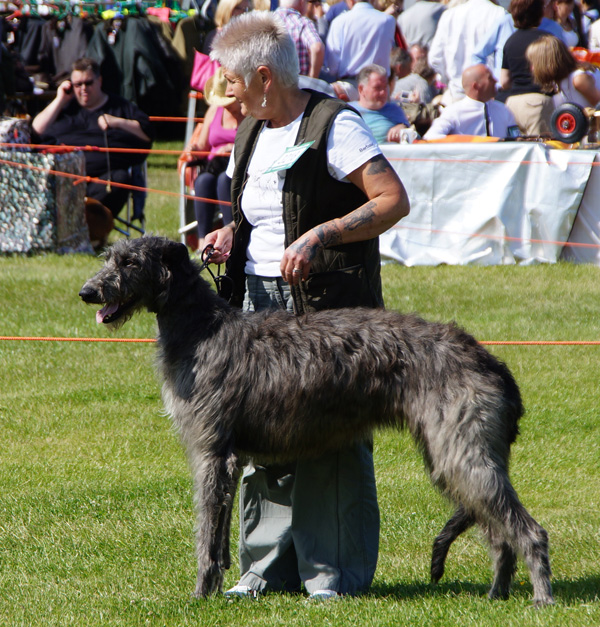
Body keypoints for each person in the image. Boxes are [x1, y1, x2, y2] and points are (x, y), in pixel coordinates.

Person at [205, 10, 409, 599]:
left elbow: (392, 200)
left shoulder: (334, 125)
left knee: (331, 438)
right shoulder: (250, 128)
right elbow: (260, 211)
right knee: (261, 435)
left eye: (233, 82)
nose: (226, 93)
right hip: (256, 306)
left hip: (326, 311)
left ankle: (332, 574)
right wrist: (230, 234)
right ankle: (266, 569)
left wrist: (321, 235)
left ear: (264, 76)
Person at [31, 57, 153, 217]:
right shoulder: (63, 107)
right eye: (77, 85)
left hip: (101, 183)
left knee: (120, 180)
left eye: (88, 83)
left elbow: (147, 133)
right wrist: (60, 99)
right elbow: (35, 131)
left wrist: (116, 122)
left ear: (99, 81)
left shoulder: (120, 107)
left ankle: (90, 228)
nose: (83, 89)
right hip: (63, 181)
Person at [185, 67, 245, 252]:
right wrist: (193, 149)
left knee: (223, 181)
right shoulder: (214, 111)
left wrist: (232, 148)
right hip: (212, 164)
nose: (225, 104)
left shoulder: (247, 111)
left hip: (237, 167)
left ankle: (231, 235)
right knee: (203, 181)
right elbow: (202, 145)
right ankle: (203, 241)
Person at [428, 0, 506, 104]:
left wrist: (447, 80)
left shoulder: (449, 15)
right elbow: (504, 57)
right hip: (487, 97)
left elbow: (435, 58)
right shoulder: (498, 13)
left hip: (456, 95)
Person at [500, 0, 554, 135]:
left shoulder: (510, 41)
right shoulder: (546, 39)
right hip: (538, 103)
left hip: (512, 104)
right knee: (539, 150)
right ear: (539, 12)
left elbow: (504, 81)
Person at [424, 64, 518, 139]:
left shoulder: (503, 110)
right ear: (476, 86)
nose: (495, 80)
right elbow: (431, 137)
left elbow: (516, 139)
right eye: (490, 78)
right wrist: (464, 142)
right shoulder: (454, 112)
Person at [323, 0, 397, 83]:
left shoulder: (339, 22)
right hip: (379, 84)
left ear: (351, 1)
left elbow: (332, 65)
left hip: (350, 83)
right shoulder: (388, 20)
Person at [527, 33, 600, 108]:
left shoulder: (578, 80)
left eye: (534, 63)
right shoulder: (561, 82)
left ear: (547, 63)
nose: (532, 68)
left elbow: (598, 108)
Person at [350, 64, 409, 142]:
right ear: (361, 89)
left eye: (385, 87)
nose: (383, 93)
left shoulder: (395, 110)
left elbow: (414, 138)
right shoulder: (349, 112)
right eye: (377, 88)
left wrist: (403, 130)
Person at [275, 0, 325, 78]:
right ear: (302, 2)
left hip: (270, 85)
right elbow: (317, 48)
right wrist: (312, 79)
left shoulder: (266, 21)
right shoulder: (302, 23)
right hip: (297, 85)